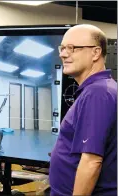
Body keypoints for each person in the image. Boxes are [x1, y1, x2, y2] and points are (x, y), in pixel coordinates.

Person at [49, 24, 117, 196]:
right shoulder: (97, 90)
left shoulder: (98, 93)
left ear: (95, 53)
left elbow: (92, 161)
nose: (63, 54)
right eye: (62, 48)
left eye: (72, 48)